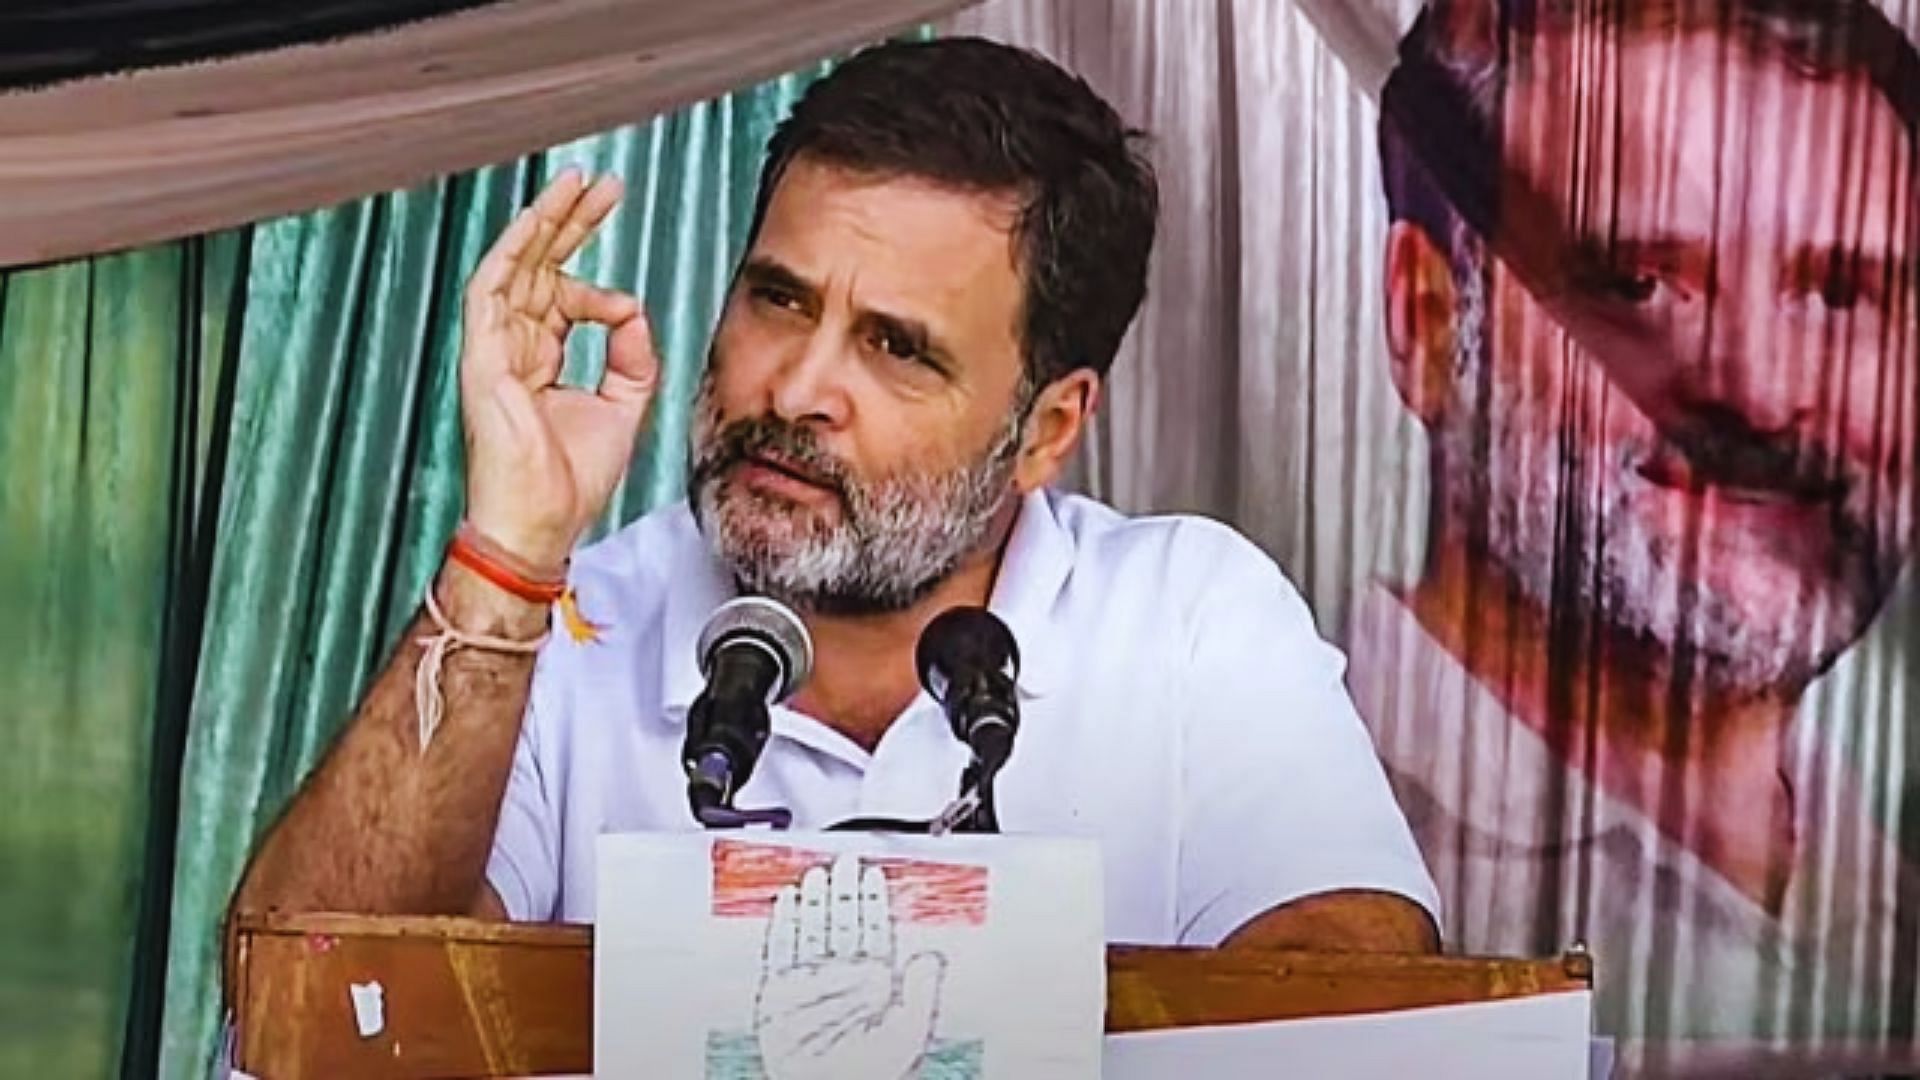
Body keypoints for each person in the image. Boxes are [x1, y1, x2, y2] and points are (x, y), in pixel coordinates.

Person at [232, 38, 1438, 959]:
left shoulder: (1190, 618)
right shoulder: (567, 623)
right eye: (780, 300)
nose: (799, 388)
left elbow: (1349, 1014)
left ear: (1047, 429)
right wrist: (509, 553)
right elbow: (309, 1011)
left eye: (897, 349)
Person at [1356, 0, 1919, 1071]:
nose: (1757, 392)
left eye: (1839, 294)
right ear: (1427, 323)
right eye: (1639, 282)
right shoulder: (1274, 843)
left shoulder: (1891, 886)